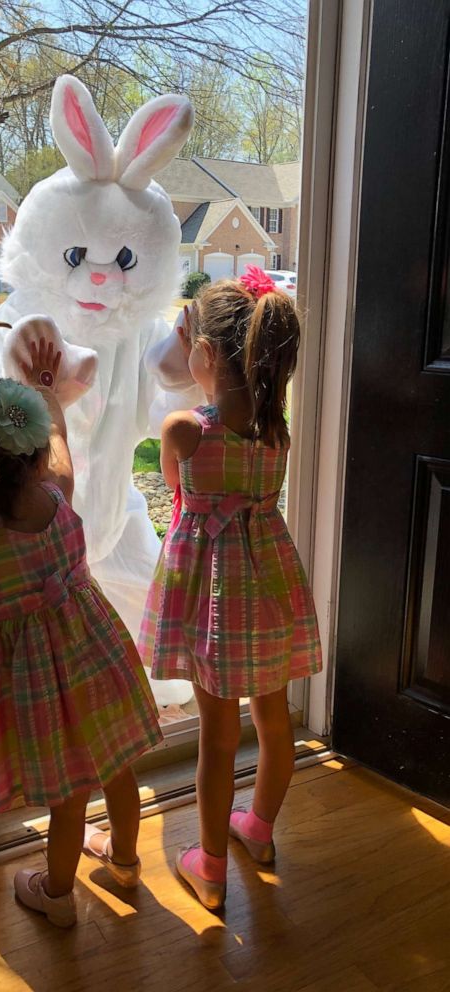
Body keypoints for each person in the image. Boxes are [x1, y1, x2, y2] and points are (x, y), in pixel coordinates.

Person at [0, 330, 162, 928]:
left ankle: (57, 895)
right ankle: (123, 863)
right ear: (34, 452)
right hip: (94, 649)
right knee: (117, 766)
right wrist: (49, 396)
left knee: (70, 798)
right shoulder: (59, 495)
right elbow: (62, 445)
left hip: (39, 678)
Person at [138, 267, 322, 910]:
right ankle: (260, 831)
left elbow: (177, 489)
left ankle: (210, 868)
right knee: (273, 723)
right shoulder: (278, 432)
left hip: (211, 597)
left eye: (188, 335)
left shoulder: (184, 429)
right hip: (267, 586)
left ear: (207, 355)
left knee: (218, 735)